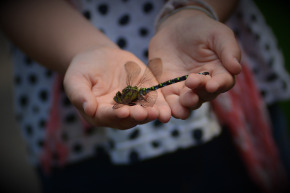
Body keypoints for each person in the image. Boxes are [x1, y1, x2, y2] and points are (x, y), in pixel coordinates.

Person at [0, 0, 289, 192]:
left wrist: (197, 8)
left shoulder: (139, 94)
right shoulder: (129, 97)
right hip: (86, 155)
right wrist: (84, 50)